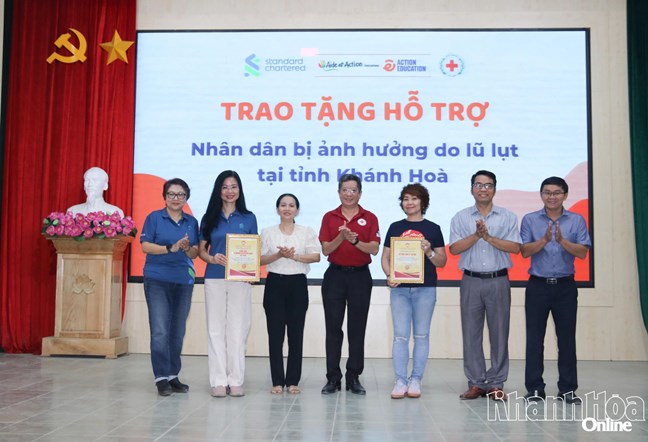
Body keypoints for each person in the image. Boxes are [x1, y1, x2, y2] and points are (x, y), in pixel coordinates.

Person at [449, 170, 520, 401]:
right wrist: (476, 235)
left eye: (488, 185)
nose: (483, 189)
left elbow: (515, 247)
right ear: (471, 189)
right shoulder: (460, 217)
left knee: (499, 333)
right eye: (478, 185)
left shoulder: (508, 216)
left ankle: (497, 383)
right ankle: (476, 383)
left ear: (494, 189)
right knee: (471, 334)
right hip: (470, 280)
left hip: (498, 280)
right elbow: (454, 249)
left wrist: (488, 238)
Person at [520, 177, 591, 405]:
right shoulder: (530, 219)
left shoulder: (576, 220)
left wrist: (561, 240)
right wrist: (544, 239)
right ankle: (535, 389)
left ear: (565, 195)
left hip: (565, 287)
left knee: (567, 340)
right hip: (537, 286)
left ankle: (568, 390)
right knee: (534, 340)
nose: (552, 197)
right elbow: (524, 251)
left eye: (557, 192)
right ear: (541, 194)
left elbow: (582, 252)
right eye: (547, 192)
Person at [381, 183, 447, 399]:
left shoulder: (433, 228)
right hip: (400, 290)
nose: (409, 203)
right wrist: (390, 275)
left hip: (425, 289)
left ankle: (416, 379)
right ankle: (400, 381)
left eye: (414, 198)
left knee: (421, 335)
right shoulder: (395, 227)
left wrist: (428, 251)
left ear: (423, 202)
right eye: (406, 199)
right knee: (400, 336)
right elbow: (385, 258)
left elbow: (442, 261)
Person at [319, 173, 380, 395]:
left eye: (353, 190)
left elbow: (374, 248)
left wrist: (355, 240)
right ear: (339, 192)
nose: (349, 194)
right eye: (345, 190)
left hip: (360, 277)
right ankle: (333, 378)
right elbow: (326, 249)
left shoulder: (369, 217)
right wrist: (341, 237)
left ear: (360, 193)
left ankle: (353, 377)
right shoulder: (329, 217)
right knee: (333, 328)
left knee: (357, 328)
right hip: (335, 276)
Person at [198, 170, 258, 398]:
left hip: (240, 279)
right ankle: (218, 381)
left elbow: (253, 250)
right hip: (214, 277)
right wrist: (212, 258)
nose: (230, 191)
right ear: (218, 190)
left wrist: (250, 270)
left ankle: (236, 379)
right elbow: (202, 251)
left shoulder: (249, 217)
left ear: (239, 190)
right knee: (215, 329)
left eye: (234, 187)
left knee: (238, 329)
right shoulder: (209, 217)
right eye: (225, 187)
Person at [140, 178, 199, 396]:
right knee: (160, 331)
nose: (176, 198)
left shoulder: (192, 222)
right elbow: (145, 246)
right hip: (157, 279)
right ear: (164, 197)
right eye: (171, 194)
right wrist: (170, 248)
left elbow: (195, 253)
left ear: (186, 198)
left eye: (180, 194)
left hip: (183, 280)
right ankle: (161, 378)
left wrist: (186, 248)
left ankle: (173, 375)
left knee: (177, 331)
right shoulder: (154, 218)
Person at [260, 194, 321, 394]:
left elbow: (316, 256)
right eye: (283, 205)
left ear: (297, 210)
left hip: (297, 284)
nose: (287, 209)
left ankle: (293, 381)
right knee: (275, 335)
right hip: (274, 284)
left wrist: (294, 256)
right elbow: (259, 260)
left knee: (296, 334)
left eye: (291, 205)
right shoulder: (267, 232)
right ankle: (277, 381)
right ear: (277, 209)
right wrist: (278, 255)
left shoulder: (306, 231)